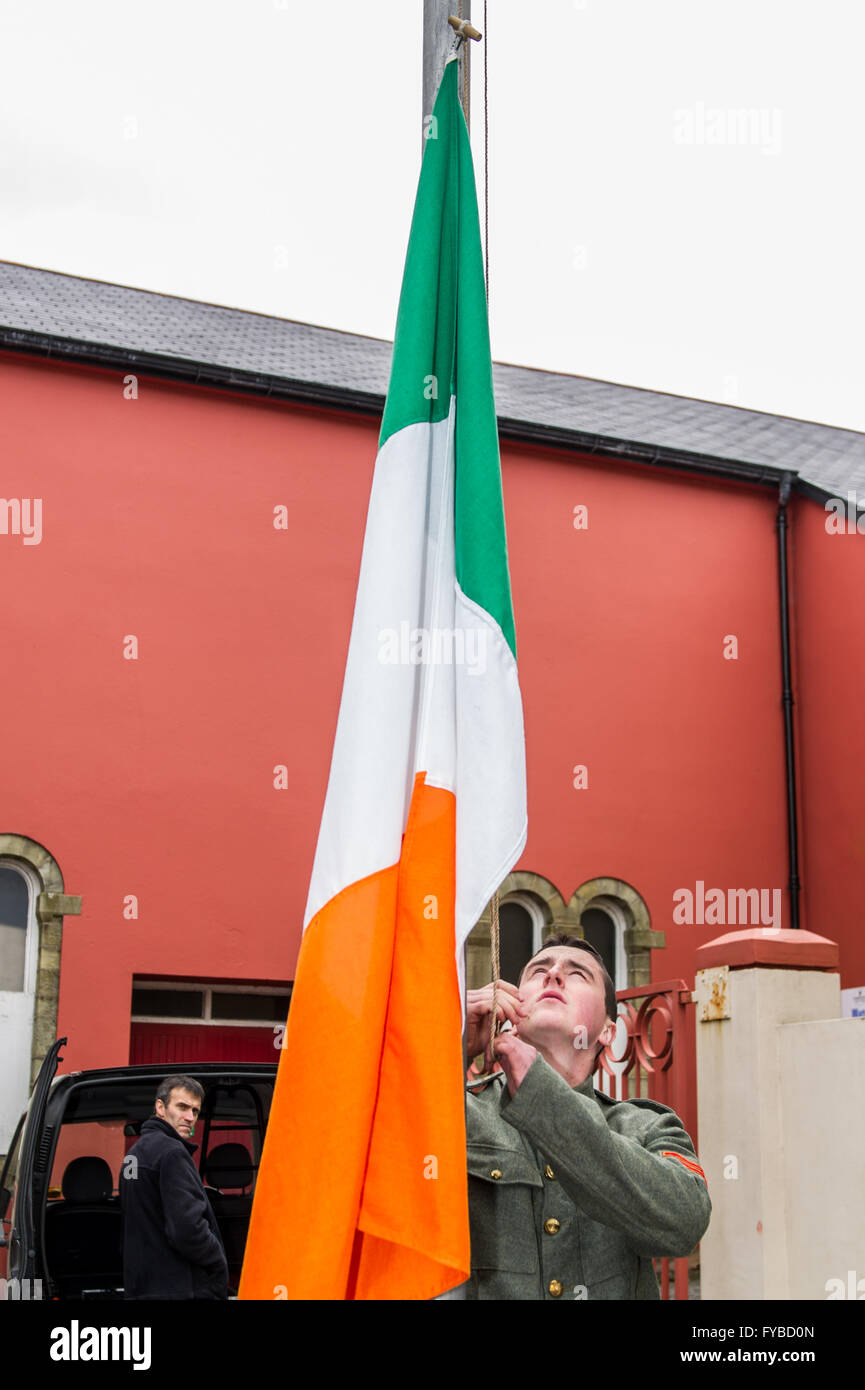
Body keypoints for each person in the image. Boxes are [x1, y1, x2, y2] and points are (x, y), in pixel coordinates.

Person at [459, 933, 711, 1300]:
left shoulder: (646, 1126)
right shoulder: (458, 1109)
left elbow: (685, 1223)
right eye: (538, 971)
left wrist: (540, 1094)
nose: (554, 974)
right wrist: (441, 1048)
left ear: (608, 1030)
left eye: (578, 974)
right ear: (511, 1007)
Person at [120, 1074, 229, 1300]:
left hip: (142, 1287)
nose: (189, 1117)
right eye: (182, 1107)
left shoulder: (135, 1154)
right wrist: (218, 1263)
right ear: (160, 1107)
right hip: (178, 1289)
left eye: (195, 1111)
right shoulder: (172, 1152)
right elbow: (187, 1229)